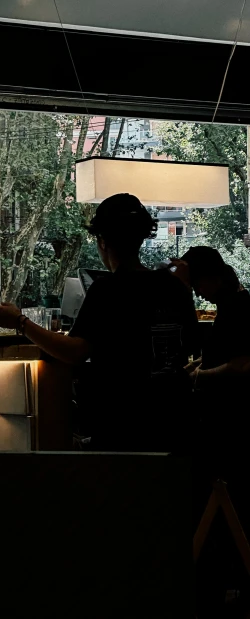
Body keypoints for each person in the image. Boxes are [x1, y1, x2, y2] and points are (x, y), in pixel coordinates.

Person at [0, 193, 200, 453]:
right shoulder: (176, 286)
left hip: (125, 424)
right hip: (176, 418)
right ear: (141, 237)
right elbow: (190, 343)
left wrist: (20, 322)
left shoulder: (108, 288)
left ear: (103, 242)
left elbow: (75, 351)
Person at [170, 247, 250, 617]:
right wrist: (196, 368)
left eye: (196, 284)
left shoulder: (238, 310)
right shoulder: (234, 303)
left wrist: (200, 377)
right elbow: (221, 355)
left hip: (231, 424)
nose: (198, 293)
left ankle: (226, 581)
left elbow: (240, 365)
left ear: (209, 277)